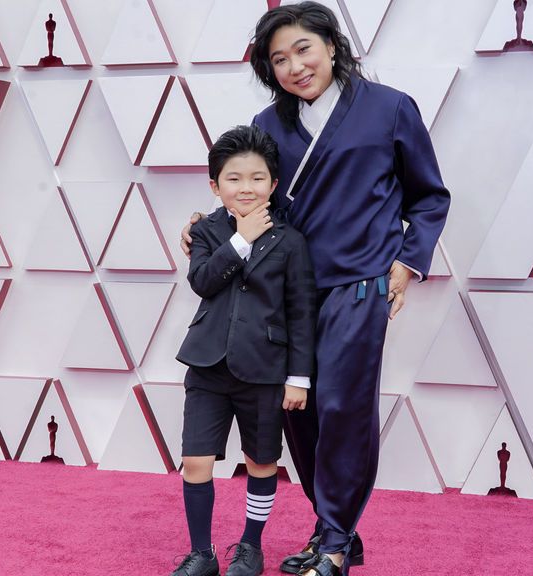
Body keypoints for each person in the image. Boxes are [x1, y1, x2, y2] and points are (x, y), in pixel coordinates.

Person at [180, 4, 450, 575]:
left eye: (303, 49)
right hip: (285, 293)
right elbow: (254, 192)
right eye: (278, 59)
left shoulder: (391, 108)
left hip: (359, 283)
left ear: (332, 44)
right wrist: (207, 224)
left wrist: (407, 264)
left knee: (341, 408)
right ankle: (337, 530)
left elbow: (429, 198)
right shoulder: (269, 125)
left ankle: (331, 544)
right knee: (297, 414)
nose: (295, 66)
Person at [173, 125, 316, 576]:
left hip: (266, 368)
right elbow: (203, 282)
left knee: (262, 461)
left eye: (258, 178)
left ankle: (250, 546)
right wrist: (241, 237)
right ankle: (202, 553)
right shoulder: (206, 231)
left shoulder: (291, 242)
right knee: (195, 460)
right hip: (207, 365)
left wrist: (299, 376)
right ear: (215, 186)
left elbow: (301, 311)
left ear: (274, 184)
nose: (246, 188)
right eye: (233, 179)